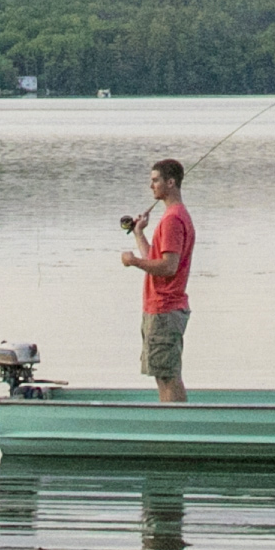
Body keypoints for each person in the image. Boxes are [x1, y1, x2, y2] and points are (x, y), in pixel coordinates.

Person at [119, 157, 196, 400]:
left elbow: (168, 267)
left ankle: (177, 429)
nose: (151, 186)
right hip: (161, 308)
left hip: (165, 308)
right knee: (163, 373)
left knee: (168, 375)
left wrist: (133, 262)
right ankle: (173, 425)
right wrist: (139, 233)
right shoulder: (174, 216)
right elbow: (156, 259)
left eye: (155, 181)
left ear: (170, 182)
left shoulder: (173, 219)